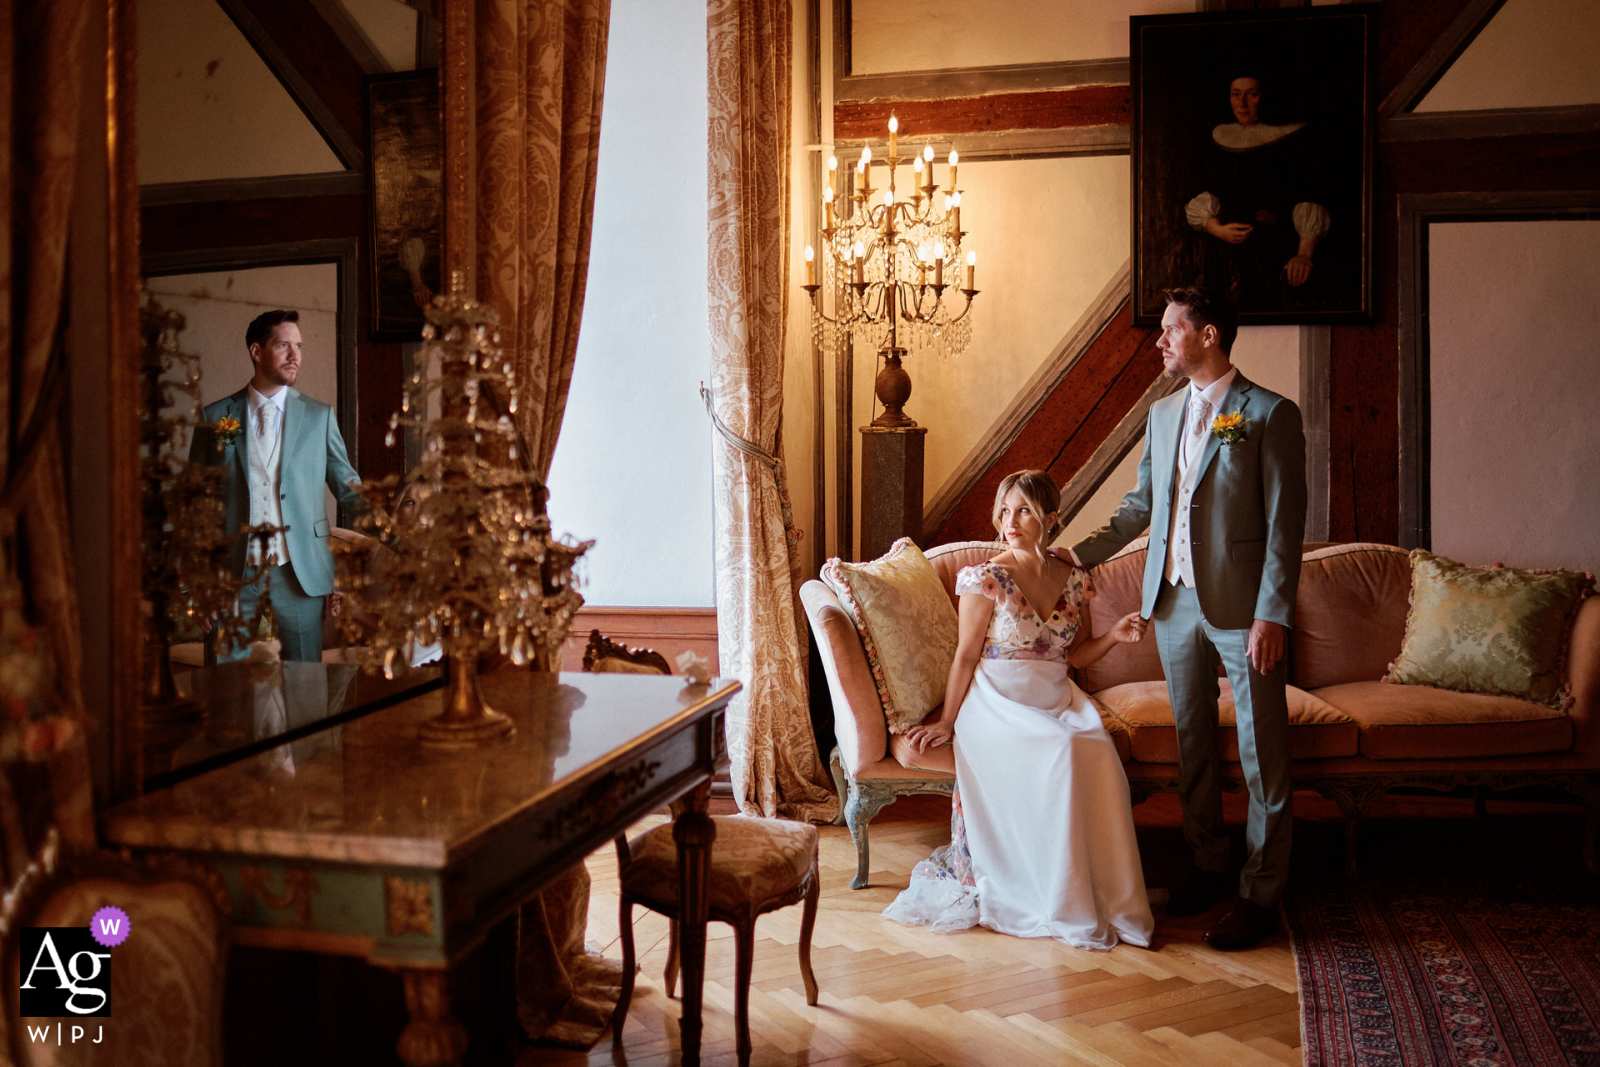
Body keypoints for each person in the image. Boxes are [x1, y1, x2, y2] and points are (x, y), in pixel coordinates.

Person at [1071, 286, 1306, 950]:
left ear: (1208, 335)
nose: (1161, 341)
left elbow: (1285, 527)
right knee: (1192, 747)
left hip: (1243, 611)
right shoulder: (1164, 414)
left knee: (1264, 755)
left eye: (1171, 329)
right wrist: (1073, 553)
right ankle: (1208, 864)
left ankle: (1261, 893)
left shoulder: (1269, 413)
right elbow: (1138, 506)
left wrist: (1272, 614)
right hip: (1172, 603)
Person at [882, 470, 1155, 951]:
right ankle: (1047, 896)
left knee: (1095, 750)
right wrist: (947, 721)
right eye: (1004, 510)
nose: (1011, 521)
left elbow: (1072, 655)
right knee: (1063, 749)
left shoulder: (1074, 580)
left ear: (1051, 518)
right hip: (996, 704)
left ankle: (1098, 892)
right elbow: (965, 655)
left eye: (1024, 510)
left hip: (1057, 697)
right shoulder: (984, 578)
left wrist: (1114, 637)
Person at [190, 309, 363, 663]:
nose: (294, 355)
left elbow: (350, 490)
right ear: (257, 351)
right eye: (283, 345)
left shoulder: (319, 417)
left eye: (298, 346)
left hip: (299, 575)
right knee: (226, 696)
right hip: (232, 575)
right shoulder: (217, 418)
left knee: (307, 696)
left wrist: (399, 534)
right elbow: (194, 505)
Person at [1185, 74, 1329, 312]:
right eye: (1235, 94)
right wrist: (1217, 228)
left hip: (1275, 250)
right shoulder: (1216, 139)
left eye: (1252, 94)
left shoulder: (1294, 139)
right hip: (1226, 255)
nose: (1242, 104)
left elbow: (1308, 193)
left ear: (1266, 96)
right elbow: (1201, 191)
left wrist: (1303, 254)